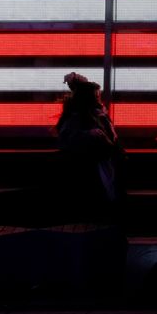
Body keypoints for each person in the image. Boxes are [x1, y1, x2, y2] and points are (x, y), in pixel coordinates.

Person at [56, 72, 126, 223]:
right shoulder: (83, 116)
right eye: (96, 95)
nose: (99, 98)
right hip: (94, 167)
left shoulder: (86, 115)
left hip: (98, 165)